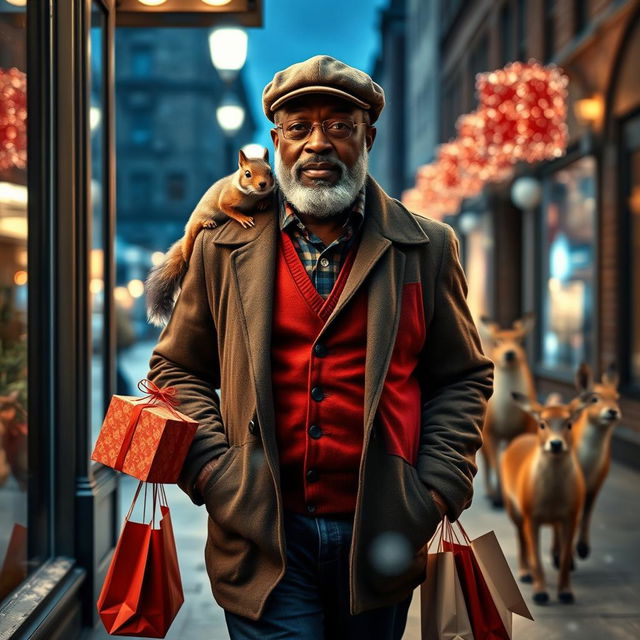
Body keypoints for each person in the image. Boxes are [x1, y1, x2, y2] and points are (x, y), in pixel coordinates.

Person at [146, 55, 494, 640]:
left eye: (339, 126)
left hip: (383, 535)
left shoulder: (426, 247)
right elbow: (175, 369)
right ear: (274, 142)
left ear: (368, 138)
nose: (317, 144)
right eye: (299, 127)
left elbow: (462, 377)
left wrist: (435, 487)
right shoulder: (221, 246)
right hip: (259, 539)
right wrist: (213, 471)